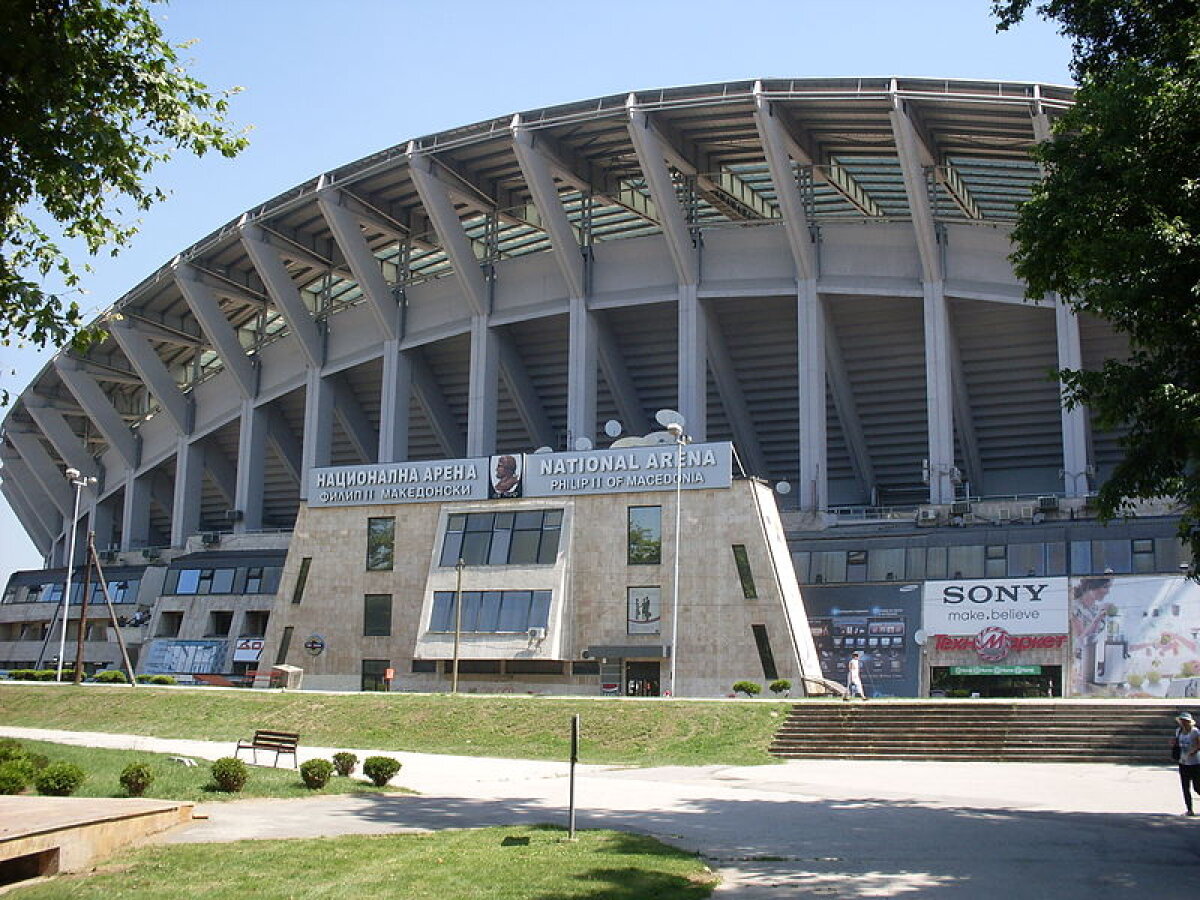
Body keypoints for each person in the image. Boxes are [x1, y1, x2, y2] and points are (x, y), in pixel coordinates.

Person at [1172, 711, 1200, 816]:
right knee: (1185, 787)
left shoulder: (1195, 731)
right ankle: (1189, 809)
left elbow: (1199, 744)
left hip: (1195, 763)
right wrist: (1174, 743)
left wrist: (1193, 751)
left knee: (1197, 787)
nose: (1183, 723)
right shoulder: (1178, 731)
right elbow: (1177, 743)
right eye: (1182, 721)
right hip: (1183, 762)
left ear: (1189, 722)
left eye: (1185, 721)